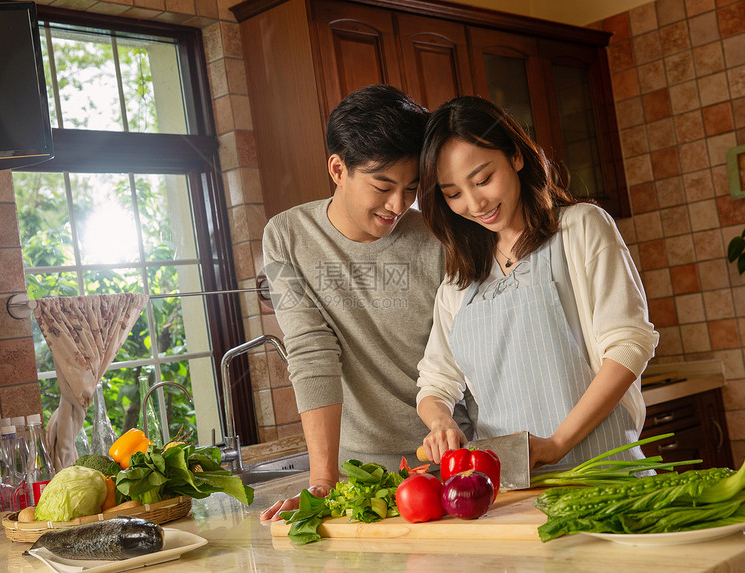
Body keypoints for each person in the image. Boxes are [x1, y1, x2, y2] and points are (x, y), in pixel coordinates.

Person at [260, 85, 478, 521]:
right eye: (383, 186)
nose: (398, 205)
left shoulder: (440, 239)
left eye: (411, 188)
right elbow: (310, 350)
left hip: (450, 464)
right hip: (359, 477)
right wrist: (323, 482)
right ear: (338, 168)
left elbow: (470, 355)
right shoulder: (285, 237)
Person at [415, 96, 659, 473]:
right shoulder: (458, 282)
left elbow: (629, 345)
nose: (475, 203)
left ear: (515, 156)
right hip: (513, 491)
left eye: (483, 179)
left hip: (607, 477)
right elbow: (435, 382)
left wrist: (555, 445)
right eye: (454, 194)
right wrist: (441, 421)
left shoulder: (580, 228)